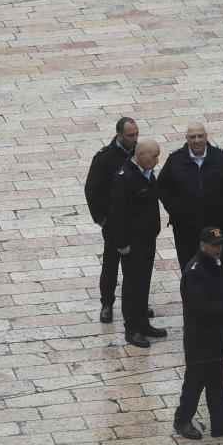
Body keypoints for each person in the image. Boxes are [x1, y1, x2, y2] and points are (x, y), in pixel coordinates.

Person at [173, 227, 223, 441]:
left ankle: (220, 422)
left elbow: (221, 290)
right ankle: (182, 419)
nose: (219, 248)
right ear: (202, 244)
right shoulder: (194, 272)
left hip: (216, 333)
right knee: (195, 381)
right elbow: (202, 308)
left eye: (221, 244)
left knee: (217, 379)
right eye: (214, 244)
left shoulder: (216, 264)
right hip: (199, 337)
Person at [157, 122, 223, 293]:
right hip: (186, 229)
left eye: (200, 136)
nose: (197, 140)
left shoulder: (221, 158)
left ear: (206, 136)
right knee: (190, 268)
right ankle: (193, 309)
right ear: (186, 138)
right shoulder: (175, 160)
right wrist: (176, 210)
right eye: (192, 137)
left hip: (218, 227)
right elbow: (163, 188)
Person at [108, 138, 167, 349]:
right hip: (132, 243)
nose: (157, 161)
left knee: (143, 283)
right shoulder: (124, 178)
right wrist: (122, 243)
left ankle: (143, 323)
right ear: (140, 155)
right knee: (132, 285)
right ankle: (132, 329)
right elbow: (118, 213)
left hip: (147, 240)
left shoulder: (147, 173)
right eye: (154, 156)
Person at [84, 117, 144, 323]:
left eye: (137, 134)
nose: (135, 138)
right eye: (131, 135)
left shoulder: (140, 153)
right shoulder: (105, 158)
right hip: (113, 223)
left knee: (135, 266)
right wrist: (101, 219)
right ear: (119, 135)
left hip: (135, 222)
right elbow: (92, 189)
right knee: (111, 264)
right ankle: (107, 303)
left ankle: (136, 303)